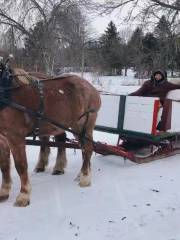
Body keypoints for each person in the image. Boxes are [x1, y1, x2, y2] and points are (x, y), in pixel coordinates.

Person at [122, 70, 180, 150]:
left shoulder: (166, 85)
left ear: (163, 77)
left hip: (158, 104)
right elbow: (139, 92)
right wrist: (128, 96)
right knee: (136, 113)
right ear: (154, 75)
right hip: (145, 104)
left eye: (160, 75)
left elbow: (177, 86)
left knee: (156, 114)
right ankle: (134, 133)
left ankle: (149, 132)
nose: (158, 77)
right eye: (156, 75)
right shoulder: (148, 83)